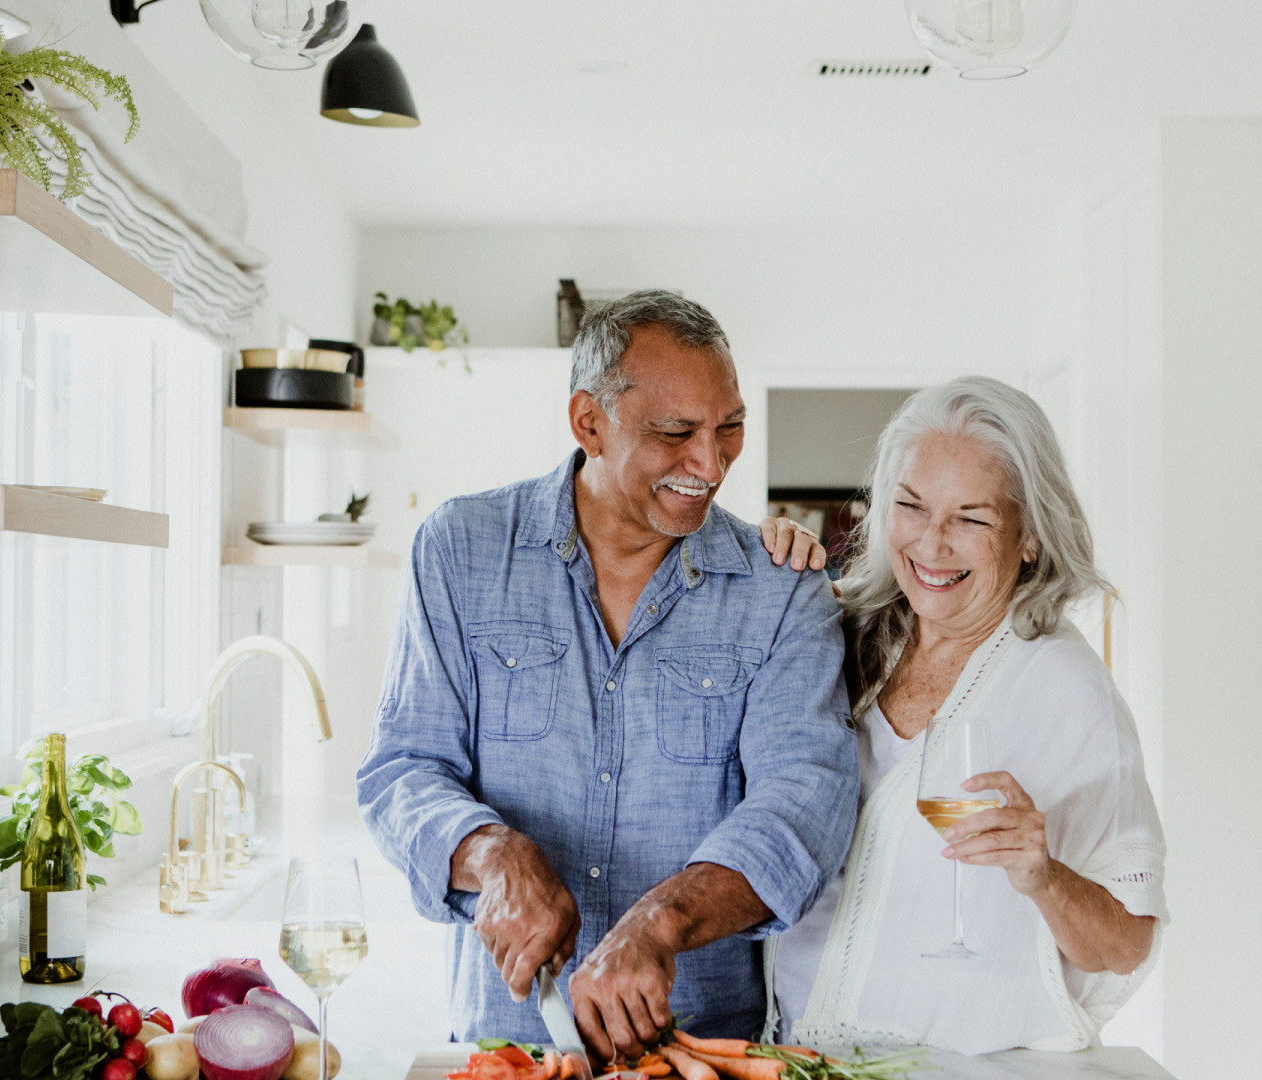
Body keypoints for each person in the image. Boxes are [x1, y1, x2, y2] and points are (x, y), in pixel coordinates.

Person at [357, 290, 860, 1063]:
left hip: (698, 1050)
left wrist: (661, 922)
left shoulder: (782, 588)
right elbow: (403, 770)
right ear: (588, 422)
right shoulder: (460, 551)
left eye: (730, 429)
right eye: (674, 433)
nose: (711, 463)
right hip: (507, 1046)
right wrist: (490, 853)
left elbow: (804, 805)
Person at [759, 376, 1166, 1054]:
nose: (931, 543)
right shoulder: (843, 634)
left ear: (1029, 536)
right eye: (911, 507)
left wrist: (1045, 875)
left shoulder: (1064, 691)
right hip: (792, 1056)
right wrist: (764, 563)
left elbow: (1124, 945)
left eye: (971, 519)